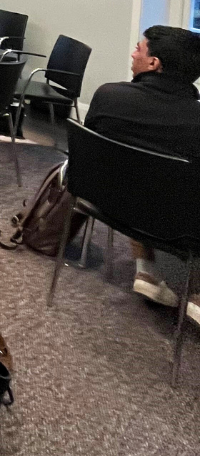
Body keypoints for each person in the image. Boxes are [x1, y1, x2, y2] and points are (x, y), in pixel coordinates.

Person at [85, 25, 200, 321]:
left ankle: (146, 269)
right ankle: (196, 296)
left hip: (105, 203)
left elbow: (89, 155)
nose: (133, 53)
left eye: (139, 48)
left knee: (137, 173)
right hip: (177, 226)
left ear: (154, 63)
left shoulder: (108, 96)